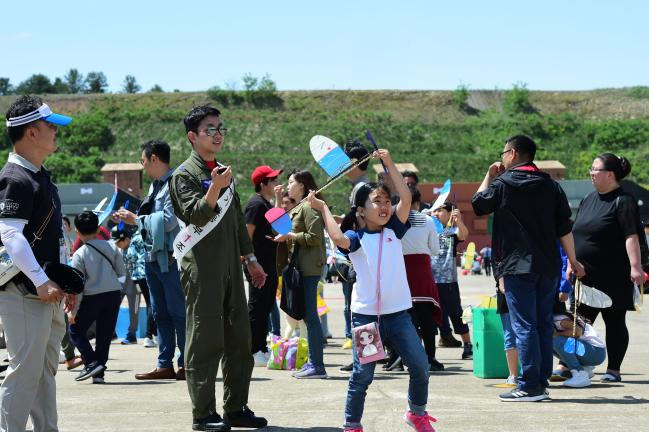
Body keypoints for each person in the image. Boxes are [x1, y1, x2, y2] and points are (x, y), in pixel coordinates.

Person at [308, 149, 436, 432]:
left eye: (387, 201)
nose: (385, 206)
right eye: (377, 201)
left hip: (400, 316)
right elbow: (338, 237)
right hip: (366, 319)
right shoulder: (356, 237)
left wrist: (388, 163)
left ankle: (416, 414)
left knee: (420, 368)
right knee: (363, 377)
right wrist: (323, 208)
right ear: (361, 210)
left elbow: (405, 196)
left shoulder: (394, 230)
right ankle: (352, 425)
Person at [169, 105, 268, 431]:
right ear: (192, 137)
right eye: (210, 128)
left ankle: (236, 408)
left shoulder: (224, 172)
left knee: (240, 341)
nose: (217, 133)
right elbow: (195, 214)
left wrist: (250, 259)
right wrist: (214, 186)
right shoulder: (184, 174)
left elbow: (237, 221)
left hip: (229, 268)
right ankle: (203, 414)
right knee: (205, 340)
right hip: (202, 269)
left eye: (220, 127)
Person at [472, 134, 585, 402]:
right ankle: (540, 381)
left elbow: (478, 204)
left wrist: (489, 175)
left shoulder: (502, 184)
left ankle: (529, 386)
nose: (501, 158)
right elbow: (564, 228)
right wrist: (573, 260)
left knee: (524, 325)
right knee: (543, 324)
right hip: (548, 266)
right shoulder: (551, 186)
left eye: (503, 153)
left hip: (516, 267)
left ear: (512, 154)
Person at [0, 95, 75, 431]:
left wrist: (60, 281)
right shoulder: (16, 178)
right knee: (24, 373)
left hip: (43, 292)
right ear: (31, 133)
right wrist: (42, 281)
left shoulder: (39, 175)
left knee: (43, 372)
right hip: (25, 291)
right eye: (50, 126)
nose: (55, 132)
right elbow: (10, 236)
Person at [114, 139, 187, 381]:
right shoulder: (157, 186)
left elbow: (168, 221)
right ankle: (164, 363)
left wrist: (136, 219)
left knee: (178, 312)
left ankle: (186, 362)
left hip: (170, 258)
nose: (142, 165)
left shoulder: (175, 184)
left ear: (154, 158)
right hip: (152, 258)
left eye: (143, 161)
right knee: (160, 312)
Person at [572, 153, 644, 383]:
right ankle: (570, 364)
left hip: (613, 275)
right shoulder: (588, 199)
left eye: (595, 169)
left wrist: (636, 267)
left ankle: (614, 369)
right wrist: (571, 263)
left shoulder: (623, 201)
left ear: (610, 175)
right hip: (585, 274)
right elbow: (577, 234)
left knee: (614, 321)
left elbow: (630, 236)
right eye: (591, 169)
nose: (591, 173)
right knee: (578, 322)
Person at [273, 170, 327, 379]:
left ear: (302, 185)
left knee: (311, 317)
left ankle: (318, 366)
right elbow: (278, 223)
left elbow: (315, 237)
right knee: (307, 316)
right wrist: (278, 200)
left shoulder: (309, 207)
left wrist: (291, 235)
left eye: (290, 182)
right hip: (300, 267)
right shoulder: (298, 207)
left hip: (308, 268)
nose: (287, 186)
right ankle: (314, 363)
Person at [68, 211, 126, 384]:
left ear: (77, 231)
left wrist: (72, 311)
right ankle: (98, 373)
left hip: (93, 297)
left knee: (75, 331)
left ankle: (92, 362)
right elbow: (122, 274)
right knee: (104, 334)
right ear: (98, 228)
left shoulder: (79, 254)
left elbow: (77, 287)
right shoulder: (113, 247)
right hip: (114, 294)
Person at [401, 186, 444, 372]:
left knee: (403, 319)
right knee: (426, 319)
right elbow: (435, 250)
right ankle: (430, 358)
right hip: (422, 271)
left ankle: (400, 358)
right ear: (418, 202)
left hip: (401, 272)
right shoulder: (427, 220)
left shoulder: (393, 220)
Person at [245, 165, 283, 367]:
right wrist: (251, 261)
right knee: (257, 307)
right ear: (262, 184)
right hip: (257, 264)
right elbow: (246, 234)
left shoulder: (267, 204)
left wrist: (277, 200)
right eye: (273, 180)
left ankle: (261, 347)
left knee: (266, 306)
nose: (277, 183)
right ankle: (253, 350)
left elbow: (279, 227)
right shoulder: (256, 205)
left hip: (268, 263)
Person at [430, 202, 473, 358]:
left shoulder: (452, 231)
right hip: (430, 282)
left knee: (456, 314)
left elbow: (464, 235)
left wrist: (459, 220)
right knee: (430, 316)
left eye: (439, 210)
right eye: (434, 210)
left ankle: (468, 346)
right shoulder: (429, 230)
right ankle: (428, 351)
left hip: (448, 282)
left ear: (449, 213)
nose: (435, 213)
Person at [552, 302, 606, 388]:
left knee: (557, 340)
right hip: (589, 351)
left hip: (596, 352)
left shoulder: (559, 319)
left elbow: (577, 332)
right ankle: (585, 369)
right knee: (549, 342)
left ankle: (579, 374)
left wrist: (556, 334)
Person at [122, 228, 157, 348]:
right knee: (152, 303)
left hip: (138, 275)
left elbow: (130, 256)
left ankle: (152, 335)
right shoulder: (150, 233)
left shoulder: (135, 238)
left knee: (149, 303)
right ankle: (150, 335)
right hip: (152, 271)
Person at [111, 226, 141, 345]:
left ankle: (132, 334)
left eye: (119, 242)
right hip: (119, 284)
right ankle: (110, 332)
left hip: (134, 283)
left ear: (126, 239)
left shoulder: (136, 246)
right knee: (111, 308)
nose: (117, 244)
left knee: (134, 310)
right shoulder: (118, 249)